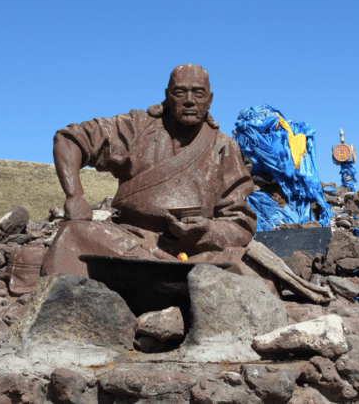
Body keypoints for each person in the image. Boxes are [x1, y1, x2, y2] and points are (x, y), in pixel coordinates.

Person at [39, 64, 274, 292]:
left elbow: (240, 224)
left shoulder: (225, 148)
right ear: (167, 96)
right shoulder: (137, 127)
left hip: (194, 253)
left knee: (250, 266)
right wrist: (75, 196)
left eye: (198, 93)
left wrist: (207, 232)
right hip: (130, 241)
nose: (190, 100)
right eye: (180, 92)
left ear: (210, 100)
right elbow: (69, 139)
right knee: (74, 233)